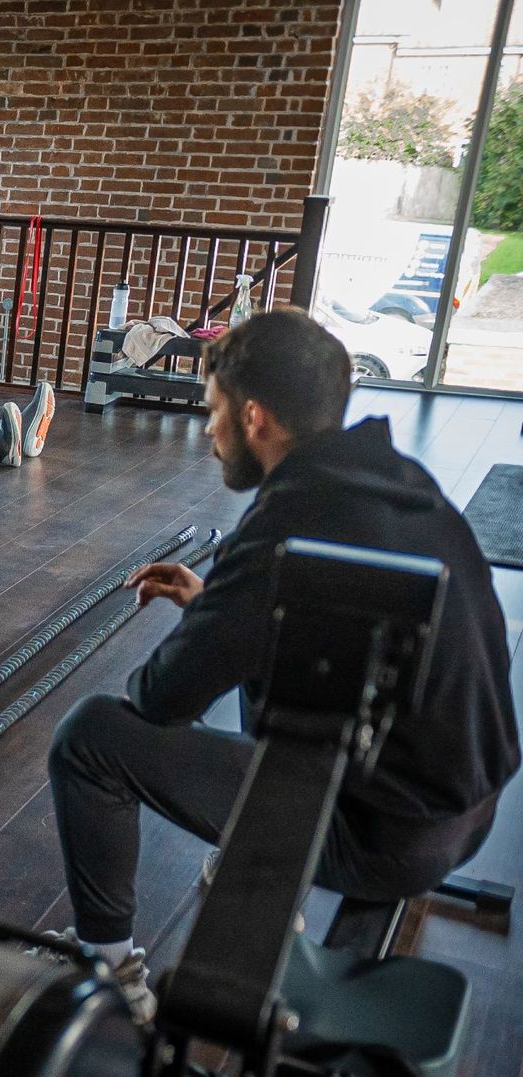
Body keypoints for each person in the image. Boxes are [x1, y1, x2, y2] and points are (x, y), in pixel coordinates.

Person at [46, 308, 519, 1022]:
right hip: (467, 809)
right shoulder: (395, 478)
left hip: (388, 839)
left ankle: (109, 971)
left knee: (89, 738)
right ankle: (256, 872)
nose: (209, 432)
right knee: (292, 639)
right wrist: (221, 603)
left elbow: (158, 697)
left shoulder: (287, 522)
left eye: (213, 411)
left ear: (254, 416)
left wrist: (220, 617)